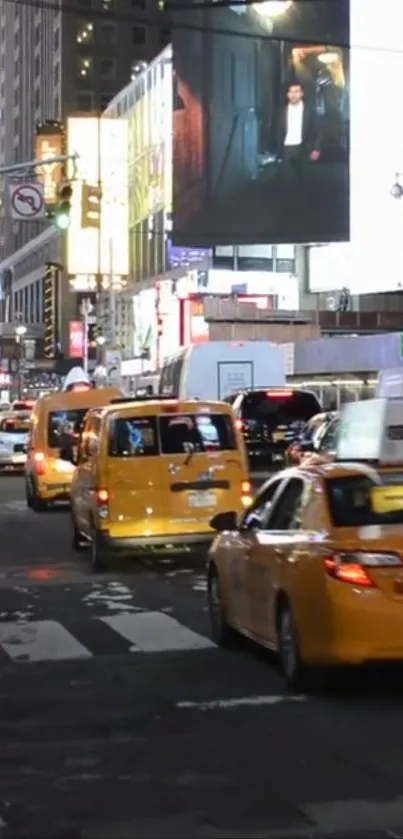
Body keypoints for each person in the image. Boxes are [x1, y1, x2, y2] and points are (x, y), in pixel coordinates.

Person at [277, 82, 321, 178]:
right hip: (286, 149)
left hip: (304, 148)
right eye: (291, 92)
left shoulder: (310, 111)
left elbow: (317, 130)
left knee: (304, 180)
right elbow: (277, 131)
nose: (293, 95)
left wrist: (316, 149)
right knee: (287, 181)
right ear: (287, 94)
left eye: (296, 91)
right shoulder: (281, 111)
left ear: (302, 93)